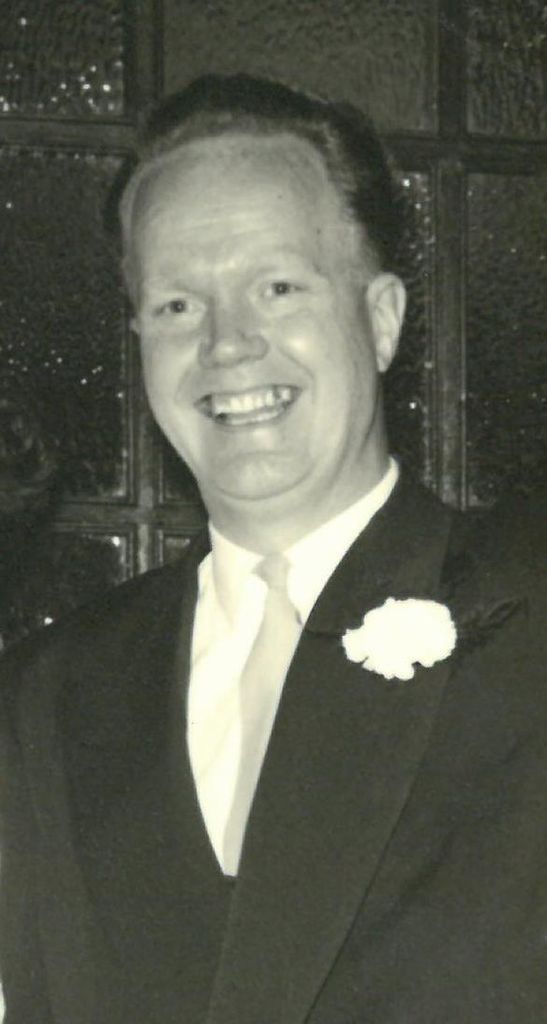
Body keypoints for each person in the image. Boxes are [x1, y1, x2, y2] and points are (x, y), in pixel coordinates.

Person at [0, 74, 546, 1024]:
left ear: (381, 318)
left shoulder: (527, 614)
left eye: (278, 287)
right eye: (177, 306)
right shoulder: (43, 697)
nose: (226, 345)